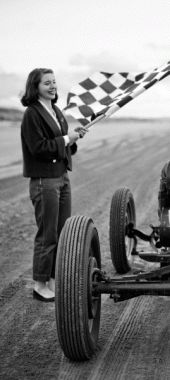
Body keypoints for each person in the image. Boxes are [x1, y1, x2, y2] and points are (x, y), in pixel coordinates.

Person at [20, 68, 87, 302]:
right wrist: (68, 139)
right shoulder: (32, 114)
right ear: (35, 87)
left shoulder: (56, 110)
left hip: (61, 177)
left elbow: (63, 145)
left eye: (54, 82)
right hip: (44, 181)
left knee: (61, 233)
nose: (52, 86)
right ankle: (40, 285)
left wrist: (75, 137)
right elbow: (39, 148)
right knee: (47, 235)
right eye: (46, 83)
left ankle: (53, 281)